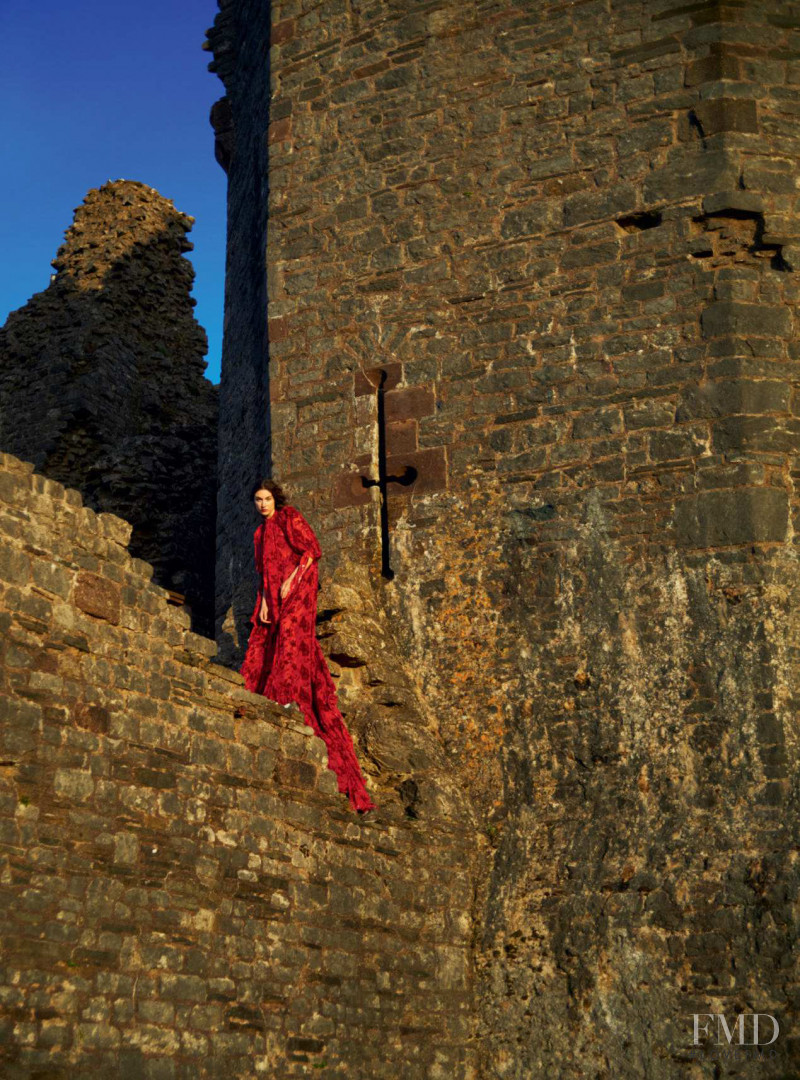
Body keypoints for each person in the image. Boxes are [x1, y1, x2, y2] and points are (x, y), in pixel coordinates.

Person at [240, 479, 376, 814]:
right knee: (267, 642)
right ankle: (273, 697)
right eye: (257, 500)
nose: (262, 504)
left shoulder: (289, 518)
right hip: (274, 595)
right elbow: (263, 572)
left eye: (267, 498)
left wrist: (291, 581)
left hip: (298, 589)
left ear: (276, 499)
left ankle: (288, 697)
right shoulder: (259, 535)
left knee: (290, 643)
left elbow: (311, 551)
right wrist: (265, 603)